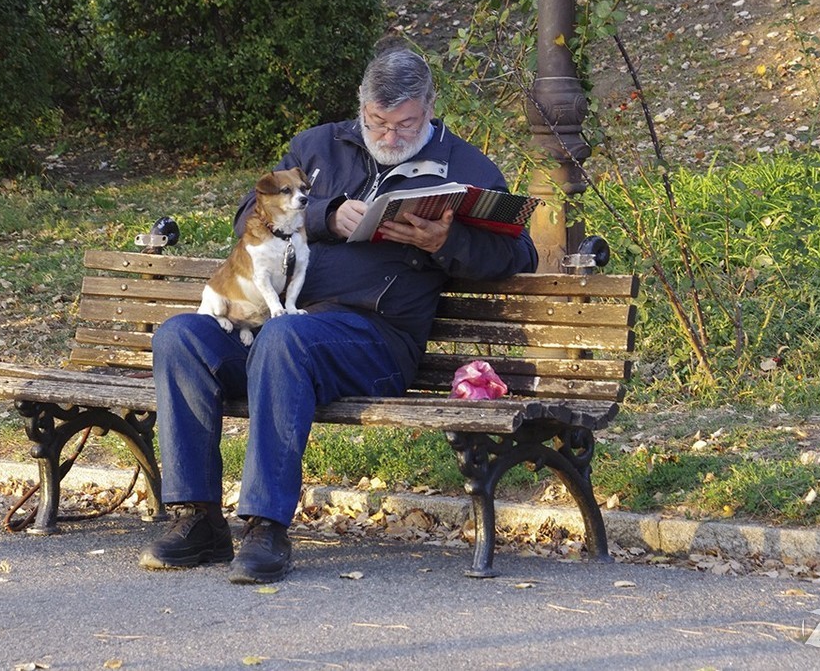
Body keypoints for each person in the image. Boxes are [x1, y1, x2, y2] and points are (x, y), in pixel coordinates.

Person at [139, 46, 538, 583]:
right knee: (181, 337)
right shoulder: (317, 147)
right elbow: (244, 219)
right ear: (361, 108)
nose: (391, 136)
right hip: (282, 321)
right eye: (378, 122)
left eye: (405, 124)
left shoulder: (466, 167)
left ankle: (264, 525)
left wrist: (449, 241)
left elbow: (519, 255)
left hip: (375, 339)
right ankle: (198, 519)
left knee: (287, 339)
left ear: (429, 106)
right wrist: (324, 214)